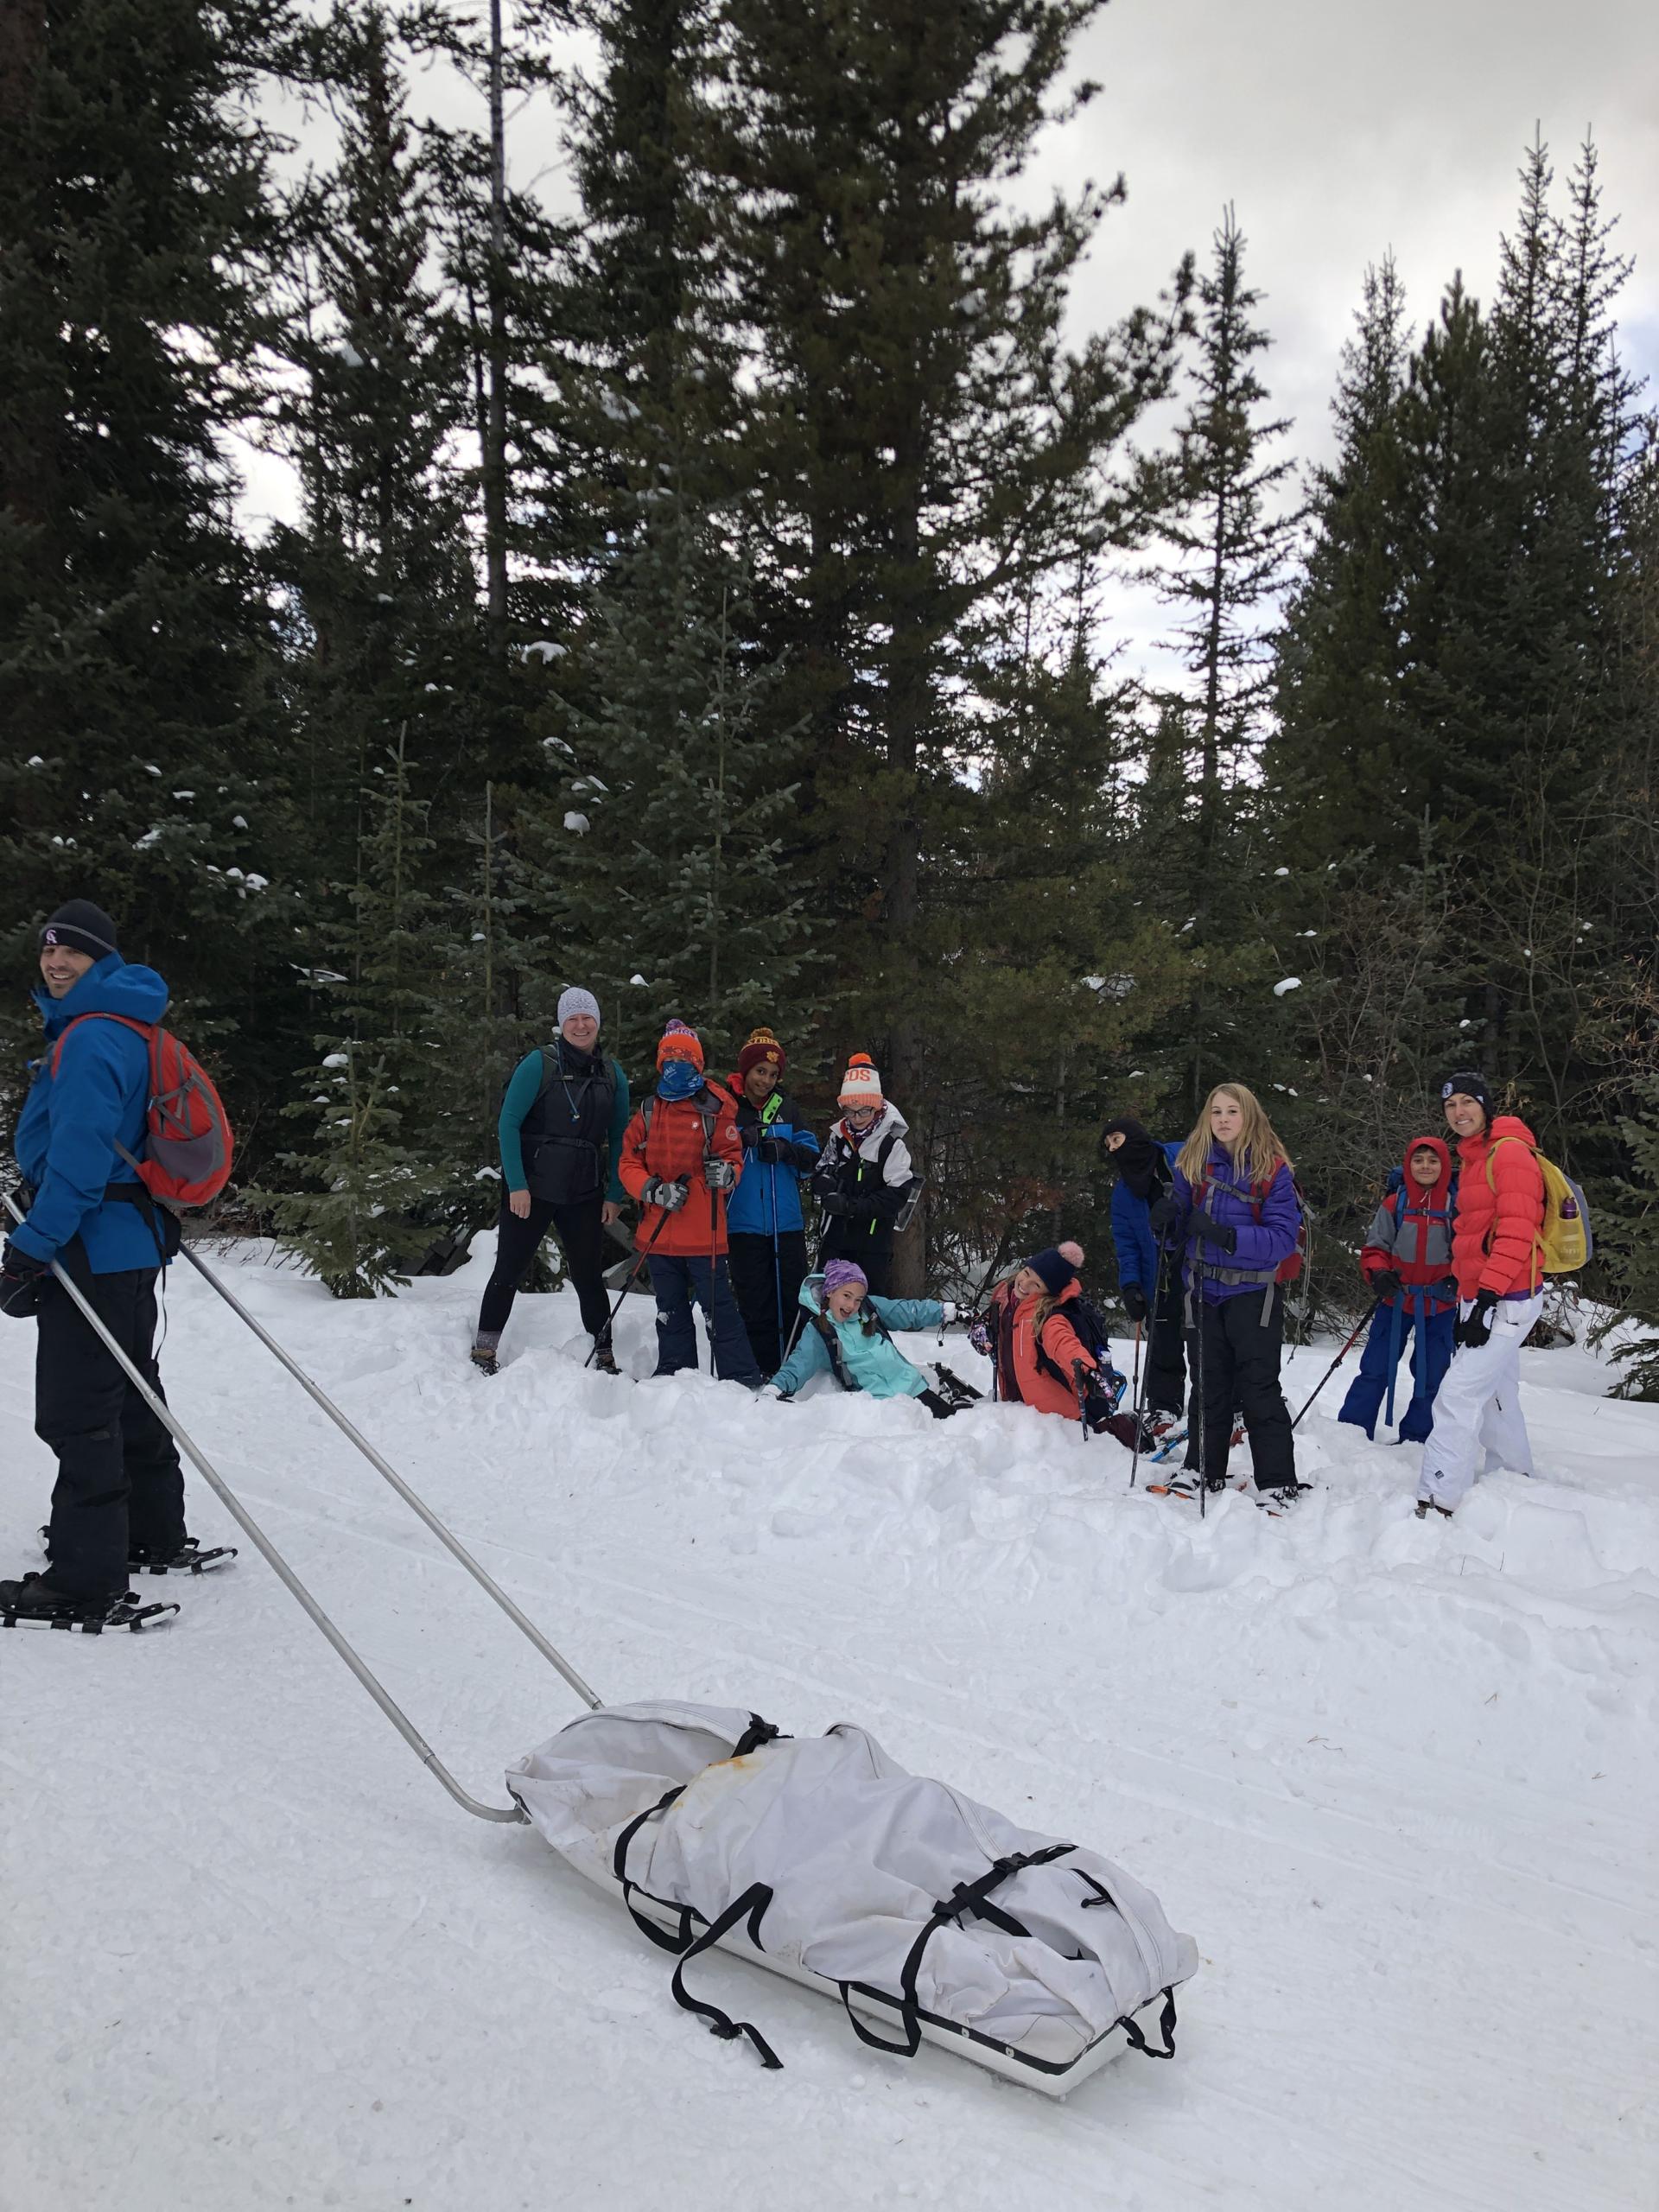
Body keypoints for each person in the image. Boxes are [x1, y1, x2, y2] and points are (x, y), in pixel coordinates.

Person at [0, 901, 201, 1625]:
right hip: (130, 1240)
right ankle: (151, 1527)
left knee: (78, 1409)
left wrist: (29, 1249)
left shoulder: (89, 1037)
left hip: (89, 1242)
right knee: (130, 1387)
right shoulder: (129, 1025)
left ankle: (87, 1577)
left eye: (72, 953)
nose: (56, 963)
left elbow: (79, 1166)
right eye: (49, 951)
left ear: (101, 961)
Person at [1153, 1084, 1305, 1499]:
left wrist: (1225, 1235)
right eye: (1216, 1111)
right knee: (1207, 1385)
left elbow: (1282, 1239)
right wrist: (1165, 1224)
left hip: (1253, 1294)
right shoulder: (1192, 1164)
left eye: (1232, 1111)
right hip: (1203, 1289)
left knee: (1258, 1388)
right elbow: (1178, 1231)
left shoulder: (1272, 1170)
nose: (1222, 1119)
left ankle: (1278, 1481)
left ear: (1248, 1115)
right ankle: (1201, 1469)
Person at [471, 988, 630, 1376]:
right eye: (572, 1018)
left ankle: (604, 1352)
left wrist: (614, 1193)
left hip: (584, 1190)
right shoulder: (538, 1064)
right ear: (561, 1024)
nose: (581, 1025)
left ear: (597, 1022)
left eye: (587, 1017)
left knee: (588, 1275)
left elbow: (620, 1137)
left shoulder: (612, 1074)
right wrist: (517, 1185)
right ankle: (484, 1349)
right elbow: (508, 1124)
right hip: (533, 1188)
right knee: (509, 1268)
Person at [1415, 1073, 1546, 1520]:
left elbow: (1516, 1231)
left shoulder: (1508, 1153)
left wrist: (1487, 1298)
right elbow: (1475, 1233)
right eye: (1450, 1106)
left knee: (1457, 1394)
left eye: (1467, 1102)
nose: (1459, 1112)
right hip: (1486, 1295)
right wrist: (1469, 1296)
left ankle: (1438, 1496)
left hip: (1506, 1296)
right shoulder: (1475, 1156)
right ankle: (1514, 1476)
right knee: (1495, 1393)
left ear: (1486, 1106)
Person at [618, 1020, 761, 1383]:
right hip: (659, 1231)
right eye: (670, 1061)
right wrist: (652, 1189)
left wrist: (727, 1174)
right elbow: (628, 1162)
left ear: (698, 1064)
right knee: (669, 1308)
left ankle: (741, 1377)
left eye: (685, 1061)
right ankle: (674, 1372)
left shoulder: (716, 1108)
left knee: (719, 1310)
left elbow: (733, 1156)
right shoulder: (649, 1111)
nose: (676, 1067)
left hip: (703, 1233)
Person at [1338, 1136, 1458, 1443]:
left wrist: (1459, 1277)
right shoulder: (1395, 1203)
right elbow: (1376, 1247)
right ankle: (1351, 1432)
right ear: (1408, 1164)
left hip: (1440, 1304)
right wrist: (1378, 1272)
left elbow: (1468, 1251)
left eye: (1433, 1160)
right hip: (1396, 1299)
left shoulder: (1456, 1205)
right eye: (1418, 1160)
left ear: (1444, 1165)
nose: (1425, 1166)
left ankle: (1418, 1437)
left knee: (1432, 1374)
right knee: (1375, 1368)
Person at [723, 1027, 820, 1376]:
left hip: (785, 1222)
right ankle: (760, 1368)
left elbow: (812, 1160)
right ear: (746, 1070)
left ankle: (795, 1367)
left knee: (792, 1297)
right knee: (754, 1299)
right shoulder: (727, 1106)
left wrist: (785, 1151)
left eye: (773, 1074)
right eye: (760, 1071)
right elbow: (711, 1155)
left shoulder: (787, 1108)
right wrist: (741, 1142)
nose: (765, 1080)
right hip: (743, 1222)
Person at [763, 1259, 965, 1417]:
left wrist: (943, 1311)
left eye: (858, 1299)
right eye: (846, 1296)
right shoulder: (820, 1331)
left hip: (915, 1388)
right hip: (881, 1406)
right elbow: (799, 1363)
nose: (851, 1305)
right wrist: (775, 1388)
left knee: (953, 1432)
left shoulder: (868, 1309)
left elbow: (906, 1311)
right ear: (830, 1291)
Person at [981, 1243, 1131, 1439]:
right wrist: (980, 1328)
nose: (1025, 1283)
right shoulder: (1006, 1296)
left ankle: (1119, 1431)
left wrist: (1086, 1371)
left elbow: (1064, 1344)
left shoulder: (1048, 1317)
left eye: (1036, 1285)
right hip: (1019, 1403)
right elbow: (991, 1320)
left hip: (1056, 1415)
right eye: (1026, 1273)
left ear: (1048, 1292)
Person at [1100, 1116, 1185, 1424]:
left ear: (1134, 1136)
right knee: (1163, 1346)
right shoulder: (1124, 1193)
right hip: (1159, 1277)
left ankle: (1222, 1407)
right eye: (1109, 1144)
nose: (1113, 1148)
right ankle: (1164, 1407)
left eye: (1117, 1139)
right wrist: (1131, 1285)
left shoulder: (1180, 1157)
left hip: (1199, 1268)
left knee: (1211, 1344)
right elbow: (1126, 1244)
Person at [810, 1054, 918, 1297]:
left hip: (872, 1246)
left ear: (876, 1106)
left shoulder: (890, 1145)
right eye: (850, 1111)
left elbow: (897, 1196)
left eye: (864, 1111)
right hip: (835, 1240)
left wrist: (852, 1206)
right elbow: (821, 1169)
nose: (856, 1118)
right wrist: (824, 1183)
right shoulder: (839, 1137)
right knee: (828, 1301)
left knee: (868, 1305)